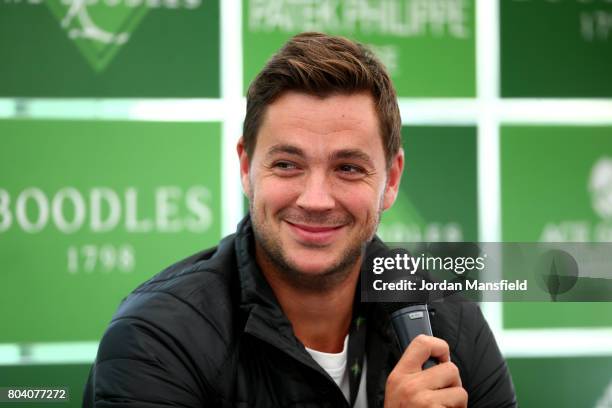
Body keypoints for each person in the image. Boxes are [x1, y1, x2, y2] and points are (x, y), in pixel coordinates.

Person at [83, 32, 517, 407]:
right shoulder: (156, 338)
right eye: (288, 164)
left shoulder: (451, 323)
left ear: (391, 180)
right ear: (246, 167)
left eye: (348, 167)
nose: (315, 199)